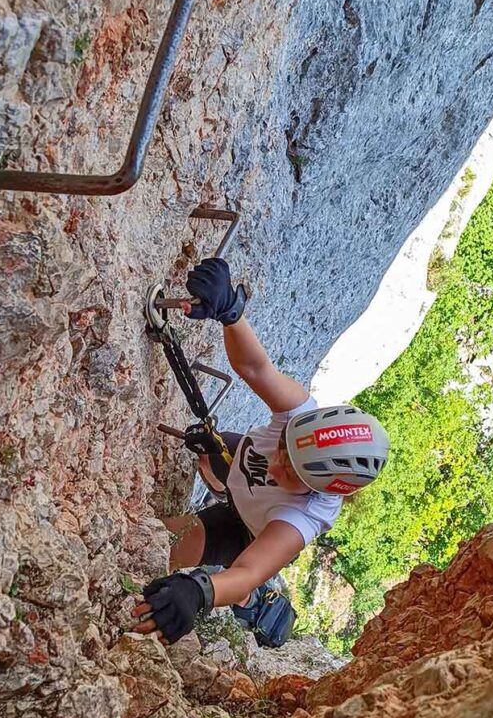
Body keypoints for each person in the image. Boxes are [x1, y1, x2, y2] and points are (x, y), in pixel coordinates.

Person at [133, 258, 390, 645]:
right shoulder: (299, 417)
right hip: (240, 466)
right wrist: (231, 314)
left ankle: (255, 602)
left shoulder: (304, 516)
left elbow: (248, 572)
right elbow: (256, 368)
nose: (278, 461)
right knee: (209, 449)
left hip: (245, 528)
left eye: (291, 472)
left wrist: (200, 591)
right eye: (285, 448)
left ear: (320, 488)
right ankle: (218, 472)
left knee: (153, 546)